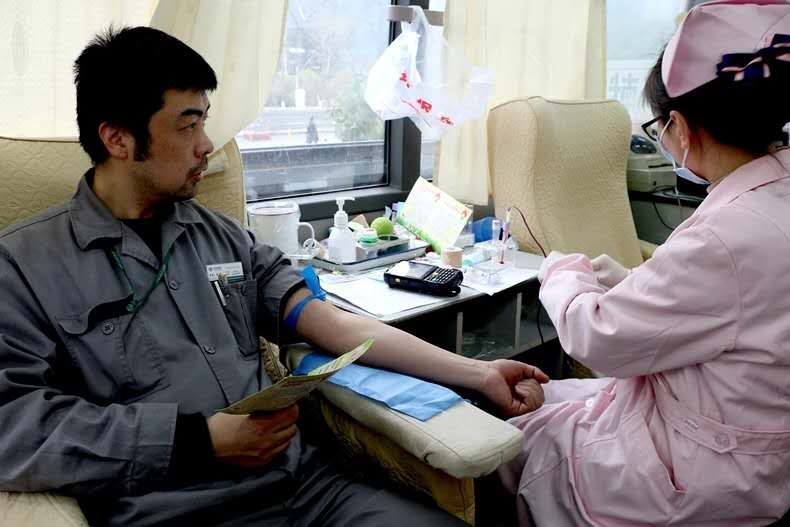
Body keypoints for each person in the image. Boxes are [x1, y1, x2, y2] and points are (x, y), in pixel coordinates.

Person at [0, 27, 548, 527]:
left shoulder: (222, 238)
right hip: (173, 509)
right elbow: (14, 428)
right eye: (187, 125)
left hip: (305, 491)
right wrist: (196, 443)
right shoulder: (23, 268)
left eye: (204, 120)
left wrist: (478, 374)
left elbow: (337, 327)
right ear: (118, 140)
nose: (206, 145)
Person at [497, 1, 790, 525]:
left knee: (511, 438)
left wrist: (563, 274)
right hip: (756, 442)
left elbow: (595, 337)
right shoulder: (772, 197)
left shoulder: (723, 236)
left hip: (700, 470)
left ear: (680, 126)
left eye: (658, 127)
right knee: (552, 397)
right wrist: (631, 280)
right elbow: (732, 307)